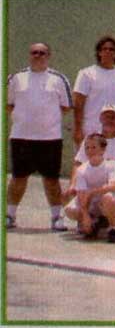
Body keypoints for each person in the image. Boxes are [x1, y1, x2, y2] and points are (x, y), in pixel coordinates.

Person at [6, 42, 72, 230]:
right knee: (19, 177)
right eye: (34, 52)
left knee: (51, 179)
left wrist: (45, 121)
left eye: (42, 53)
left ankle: (56, 217)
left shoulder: (58, 79)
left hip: (50, 138)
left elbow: (66, 106)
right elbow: (9, 104)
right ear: (29, 55)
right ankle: (9, 215)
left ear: (48, 55)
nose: (38, 55)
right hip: (21, 137)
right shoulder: (16, 78)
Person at [66, 104, 115, 204]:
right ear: (101, 119)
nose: (110, 120)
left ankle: (112, 219)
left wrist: (109, 163)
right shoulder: (91, 139)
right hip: (92, 186)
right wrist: (72, 185)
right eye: (106, 117)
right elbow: (78, 163)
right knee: (71, 209)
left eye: (113, 117)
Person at [64, 133, 115, 243]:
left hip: (107, 201)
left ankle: (113, 227)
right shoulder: (81, 169)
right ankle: (94, 223)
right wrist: (85, 216)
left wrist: (93, 191)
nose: (90, 151)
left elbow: (114, 186)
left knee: (108, 198)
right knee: (69, 210)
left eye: (94, 147)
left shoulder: (112, 165)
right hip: (90, 202)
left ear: (103, 149)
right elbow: (81, 195)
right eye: (87, 148)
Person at [73, 35, 115, 147]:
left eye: (111, 49)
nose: (108, 51)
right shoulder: (86, 73)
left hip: (113, 132)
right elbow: (78, 104)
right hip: (90, 130)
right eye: (104, 49)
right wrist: (78, 129)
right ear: (99, 53)